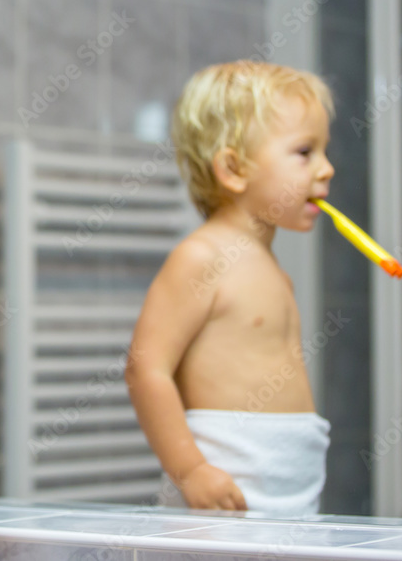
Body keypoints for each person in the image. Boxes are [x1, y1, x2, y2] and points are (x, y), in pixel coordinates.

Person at [125, 61, 335, 516]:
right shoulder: (203, 258)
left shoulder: (273, 268)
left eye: (324, 151)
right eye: (305, 152)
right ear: (234, 169)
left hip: (288, 484)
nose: (326, 169)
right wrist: (191, 470)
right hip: (226, 486)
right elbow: (146, 370)